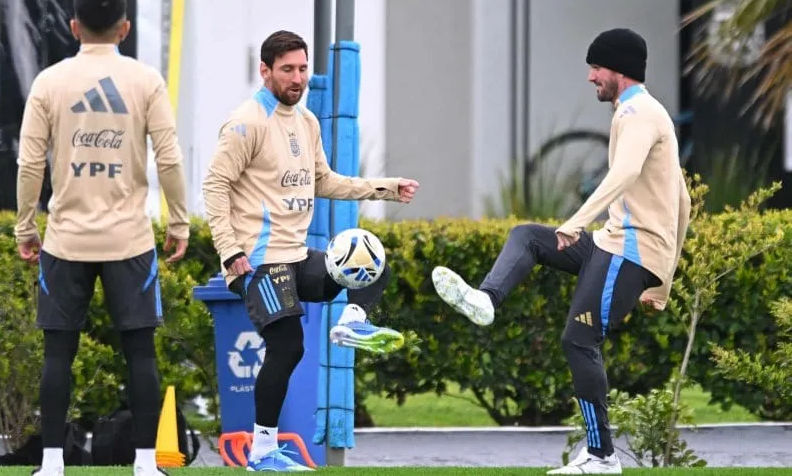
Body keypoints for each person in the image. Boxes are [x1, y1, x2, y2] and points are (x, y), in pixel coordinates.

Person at [432, 28, 691, 475]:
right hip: (612, 243)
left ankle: (603, 456)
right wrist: (663, 283)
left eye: (597, 67)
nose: (591, 77)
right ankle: (487, 300)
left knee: (578, 340)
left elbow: (626, 172)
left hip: (629, 250)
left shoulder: (639, 114)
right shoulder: (641, 113)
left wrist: (576, 224)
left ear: (619, 70)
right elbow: (683, 201)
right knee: (528, 235)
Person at [202, 30, 420, 472]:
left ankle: (351, 325)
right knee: (288, 347)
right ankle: (263, 453)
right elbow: (214, 185)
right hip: (259, 262)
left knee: (370, 263)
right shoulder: (245, 122)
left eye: (303, 68)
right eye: (287, 69)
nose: (297, 77)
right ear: (265, 71)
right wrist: (230, 252)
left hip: (296, 255)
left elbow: (324, 181)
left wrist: (386, 188)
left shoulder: (306, 122)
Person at [14, 0, 189, 475]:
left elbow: (30, 164)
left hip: (65, 241)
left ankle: (51, 464)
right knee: (139, 351)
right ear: (125, 28)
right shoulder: (145, 80)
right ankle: (147, 464)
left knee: (57, 352)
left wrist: (25, 226)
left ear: (73, 27)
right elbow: (170, 159)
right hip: (130, 241)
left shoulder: (50, 82)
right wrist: (179, 222)